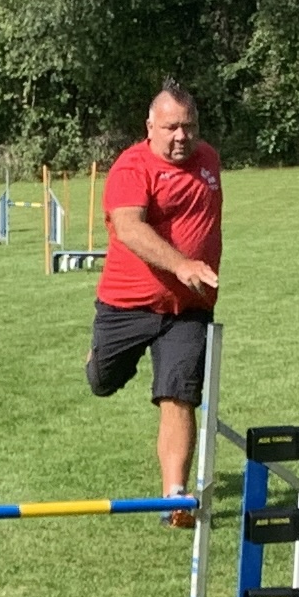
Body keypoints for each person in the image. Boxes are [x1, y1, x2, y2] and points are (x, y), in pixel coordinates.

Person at [87, 84, 222, 523]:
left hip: (189, 307)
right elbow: (129, 227)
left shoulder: (209, 160)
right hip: (127, 305)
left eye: (190, 126)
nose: (182, 136)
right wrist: (181, 264)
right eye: (171, 127)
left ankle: (174, 498)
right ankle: (96, 359)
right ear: (150, 127)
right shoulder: (131, 167)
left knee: (179, 394)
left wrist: (193, 273)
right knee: (103, 381)